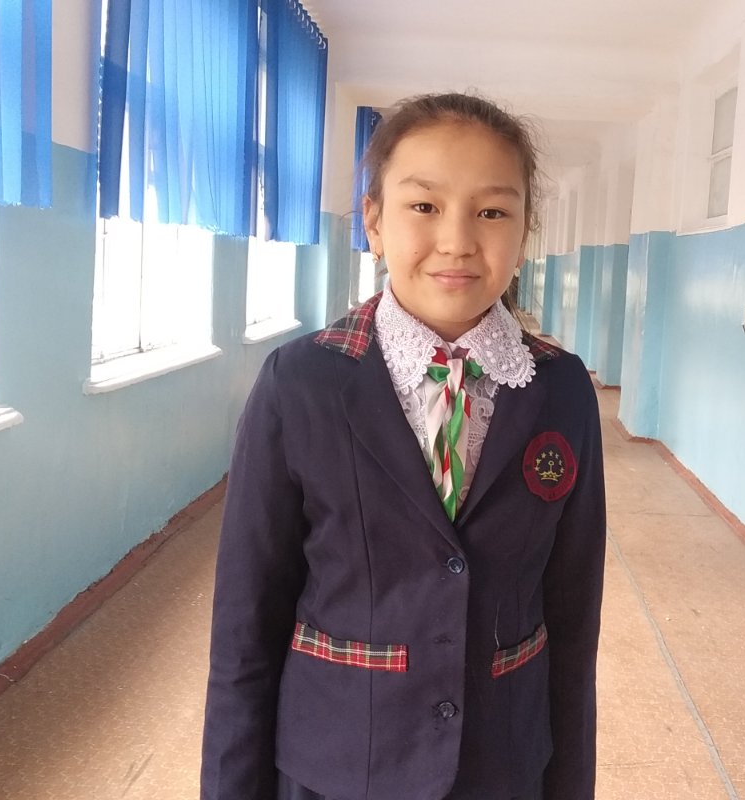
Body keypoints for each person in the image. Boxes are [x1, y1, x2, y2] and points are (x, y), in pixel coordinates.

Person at [201, 92, 607, 800]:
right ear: (374, 222)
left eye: (492, 212)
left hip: (502, 766)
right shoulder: (301, 383)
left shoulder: (561, 388)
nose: (457, 240)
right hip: (335, 768)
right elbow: (245, 624)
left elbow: (573, 621)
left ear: (524, 232)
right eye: (424, 206)